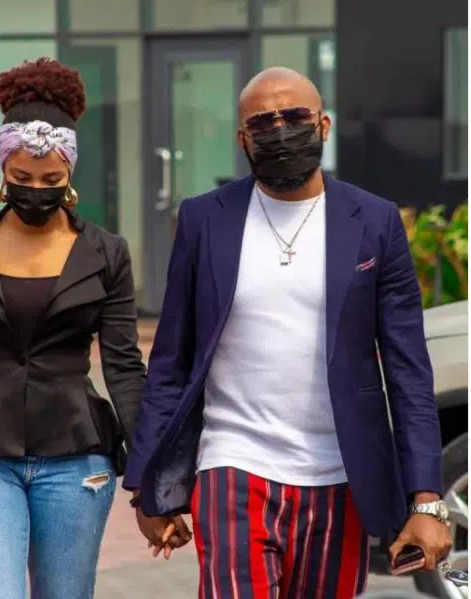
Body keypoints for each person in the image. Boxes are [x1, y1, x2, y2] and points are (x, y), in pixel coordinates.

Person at [123, 67, 452, 598]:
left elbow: (408, 371)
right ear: (242, 139)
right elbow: (171, 361)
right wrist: (145, 486)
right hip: (233, 464)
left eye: (295, 116)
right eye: (262, 122)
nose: (280, 130)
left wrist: (427, 500)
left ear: (323, 125)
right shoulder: (205, 220)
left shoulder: (374, 221)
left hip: (340, 473)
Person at [0, 57, 146, 599]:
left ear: (70, 176)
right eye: (21, 179)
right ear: (3, 172)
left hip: (78, 459)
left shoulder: (106, 253)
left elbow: (125, 369)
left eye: (51, 180)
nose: (35, 189)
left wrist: (150, 481)